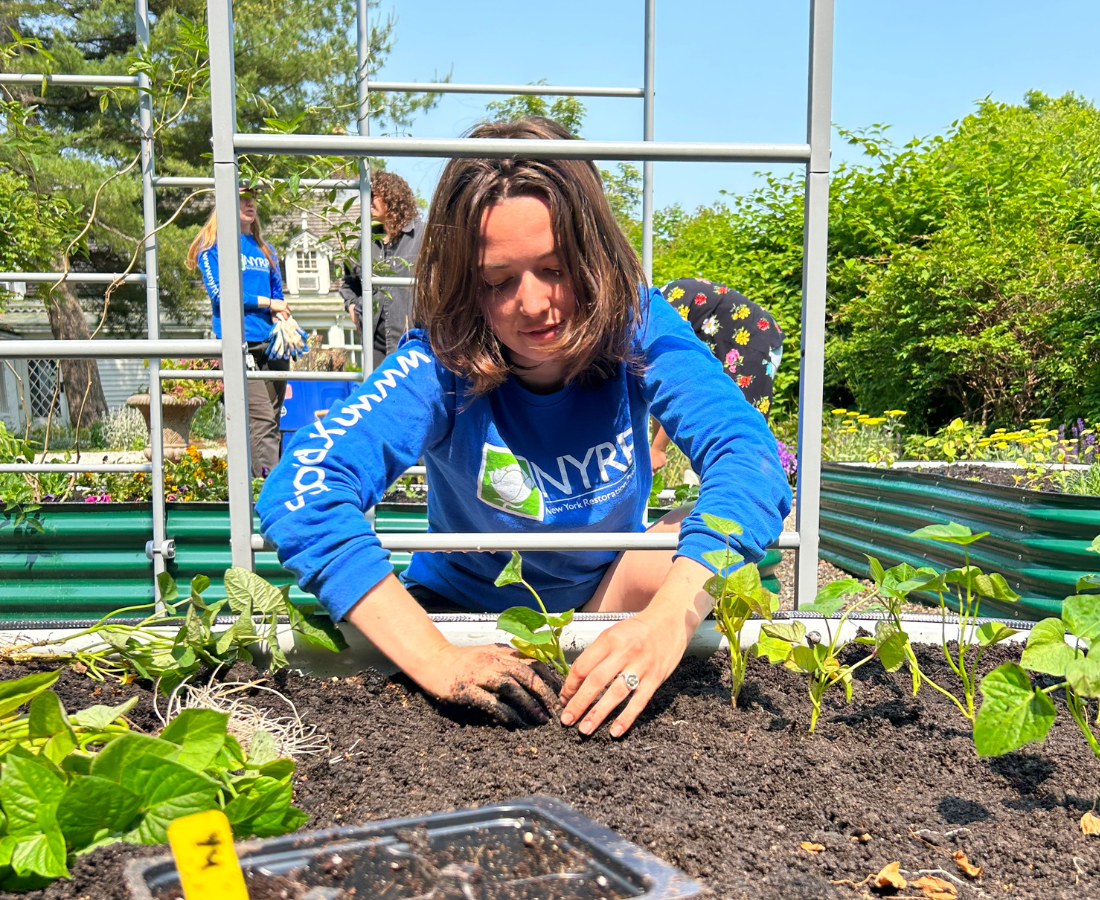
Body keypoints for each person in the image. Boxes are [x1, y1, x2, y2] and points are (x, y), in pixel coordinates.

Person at [257, 118, 790, 738]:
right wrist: (436, 659)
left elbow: (750, 457)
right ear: (464, 281)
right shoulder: (440, 360)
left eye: (558, 269)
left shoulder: (638, 326)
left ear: (596, 256)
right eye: (497, 281)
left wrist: (665, 623)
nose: (532, 305)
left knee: (692, 547)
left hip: (604, 601)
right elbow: (302, 493)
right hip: (462, 613)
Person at [186, 188, 290, 477]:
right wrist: (267, 302)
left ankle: (251, 486)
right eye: (243, 197)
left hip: (273, 344)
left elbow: (278, 296)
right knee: (261, 421)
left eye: (253, 198)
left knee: (271, 422)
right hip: (240, 344)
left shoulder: (266, 250)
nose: (250, 203)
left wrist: (281, 313)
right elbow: (221, 295)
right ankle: (271, 492)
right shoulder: (213, 248)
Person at [650, 277, 785, 471]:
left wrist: (657, 449)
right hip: (740, 341)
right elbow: (661, 387)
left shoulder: (660, 315)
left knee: (741, 428)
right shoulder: (655, 309)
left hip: (755, 340)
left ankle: (756, 489)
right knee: (724, 428)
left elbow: (678, 384)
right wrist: (655, 448)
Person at [339, 170, 424, 367]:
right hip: (374, 348)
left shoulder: (423, 236)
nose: (367, 202)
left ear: (392, 197)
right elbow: (348, 282)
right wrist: (352, 307)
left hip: (413, 344)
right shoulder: (364, 242)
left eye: (372, 195)